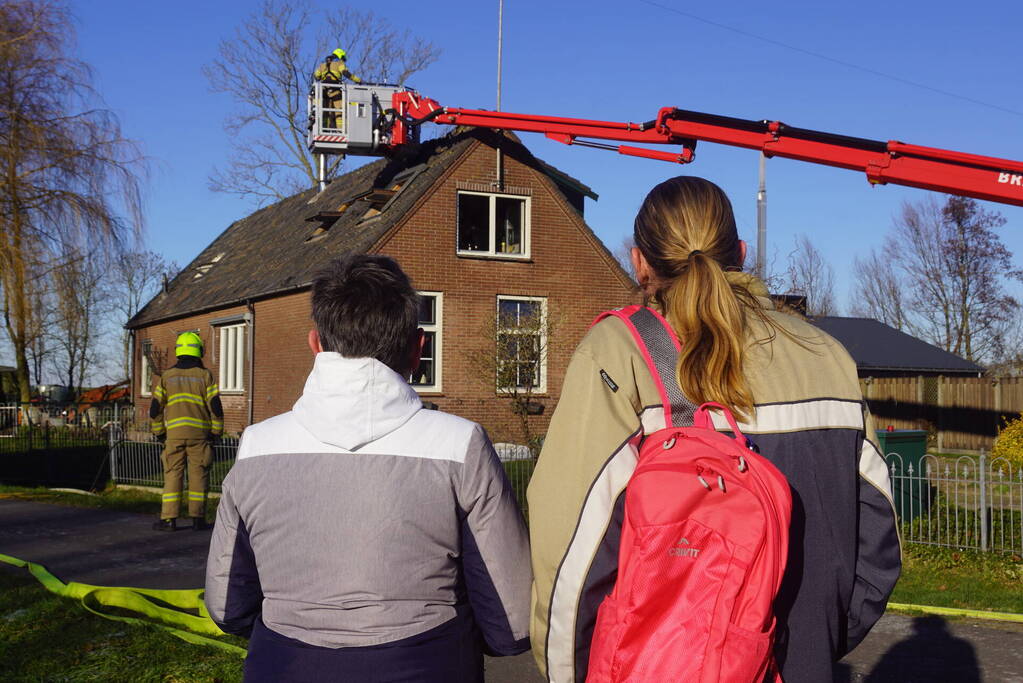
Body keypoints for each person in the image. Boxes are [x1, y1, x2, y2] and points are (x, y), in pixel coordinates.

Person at [527, 176, 901, 683]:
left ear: (640, 262)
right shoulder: (828, 356)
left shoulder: (619, 354)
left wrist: (566, 671)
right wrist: (815, 640)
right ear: (741, 252)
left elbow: (571, 551)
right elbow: (877, 544)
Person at [205, 253, 531, 682]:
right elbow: (511, 616)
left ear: (316, 344)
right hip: (427, 662)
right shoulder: (460, 444)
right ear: (419, 348)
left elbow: (226, 604)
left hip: (285, 663)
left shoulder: (256, 446)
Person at [150, 331, 224, 532]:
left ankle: (168, 520)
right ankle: (197, 519)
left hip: (173, 435)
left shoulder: (167, 376)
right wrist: (216, 432)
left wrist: (160, 433)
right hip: (199, 436)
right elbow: (216, 407)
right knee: (198, 475)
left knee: (173, 475)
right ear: (199, 350)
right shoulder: (205, 376)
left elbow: (155, 408)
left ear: (178, 351)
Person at [313, 48, 362, 130]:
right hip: (335, 90)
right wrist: (359, 80)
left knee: (326, 112)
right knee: (339, 112)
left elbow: (316, 76)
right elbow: (346, 73)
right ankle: (340, 130)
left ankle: (324, 129)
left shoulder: (322, 65)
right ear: (340, 55)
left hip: (324, 91)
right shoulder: (339, 63)